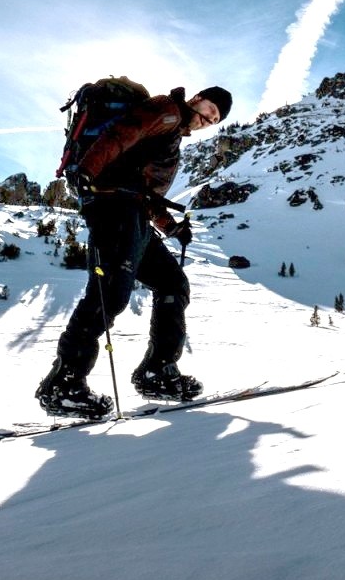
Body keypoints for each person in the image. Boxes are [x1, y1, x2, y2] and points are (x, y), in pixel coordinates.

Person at [36, 84, 233, 418]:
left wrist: (170, 227)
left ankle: (157, 372)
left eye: (213, 121)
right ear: (197, 98)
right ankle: (64, 383)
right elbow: (121, 135)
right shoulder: (166, 110)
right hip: (113, 206)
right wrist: (87, 169)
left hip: (134, 211)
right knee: (109, 293)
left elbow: (142, 187)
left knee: (173, 284)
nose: (206, 121)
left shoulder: (172, 128)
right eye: (208, 111)